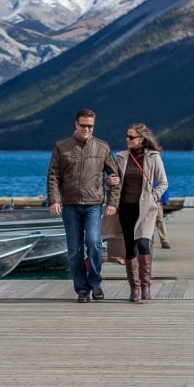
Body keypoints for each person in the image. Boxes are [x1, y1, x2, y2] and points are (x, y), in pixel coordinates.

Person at [47, 108, 121, 303]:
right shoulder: (62, 147)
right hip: (69, 205)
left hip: (93, 205)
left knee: (94, 242)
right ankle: (81, 289)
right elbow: (53, 175)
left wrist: (112, 202)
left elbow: (115, 177)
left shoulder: (102, 147)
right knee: (74, 250)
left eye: (91, 126)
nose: (87, 129)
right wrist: (54, 200)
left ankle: (95, 282)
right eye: (83, 126)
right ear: (76, 124)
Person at [108, 123, 168, 301]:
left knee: (143, 242)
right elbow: (115, 182)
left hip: (146, 208)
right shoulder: (121, 157)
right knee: (130, 246)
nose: (127, 139)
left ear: (141, 139)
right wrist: (109, 182)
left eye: (131, 137)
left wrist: (153, 197)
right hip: (126, 207)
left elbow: (163, 183)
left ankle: (145, 286)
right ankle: (134, 288)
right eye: (127, 136)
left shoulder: (153, 157)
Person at [155, 182, 171, 249]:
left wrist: (165, 200)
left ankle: (164, 240)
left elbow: (164, 184)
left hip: (157, 199)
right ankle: (147, 239)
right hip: (144, 199)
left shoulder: (158, 171)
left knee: (160, 220)